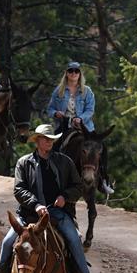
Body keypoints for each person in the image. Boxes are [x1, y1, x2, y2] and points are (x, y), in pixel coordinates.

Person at [0, 123, 95, 273]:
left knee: (74, 239)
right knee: (7, 242)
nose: (49, 142)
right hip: (29, 215)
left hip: (57, 213)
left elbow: (78, 186)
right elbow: (19, 189)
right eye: (45, 139)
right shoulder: (24, 163)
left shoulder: (65, 162)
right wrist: (35, 205)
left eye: (52, 139)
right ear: (37, 141)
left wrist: (65, 196)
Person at [46, 61, 114, 195]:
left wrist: (80, 118)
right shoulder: (58, 91)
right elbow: (50, 109)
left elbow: (90, 110)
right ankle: (49, 178)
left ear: (80, 74)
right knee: (52, 148)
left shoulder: (86, 91)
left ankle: (103, 180)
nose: (73, 73)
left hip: (85, 127)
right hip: (65, 126)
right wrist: (56, 113)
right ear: (66, 73)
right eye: (70, 71)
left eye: (76, 71)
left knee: (101, 148)